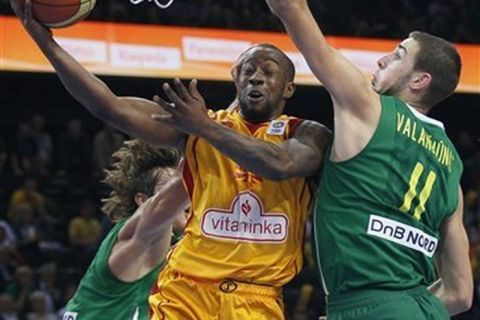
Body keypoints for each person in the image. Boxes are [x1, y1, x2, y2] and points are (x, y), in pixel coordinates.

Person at [10, 0, 331, 318]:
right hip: (186, 291)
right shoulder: (196, 126)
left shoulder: (305, 134)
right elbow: (110, 107)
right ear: (236, 79)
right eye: (249, 70)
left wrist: (204, 127)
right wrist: (46, 44)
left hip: (258, 298)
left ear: (289, 88)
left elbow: (278, 165)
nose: (257, 78)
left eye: (268, 72)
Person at [264, 0, 473, 319]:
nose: (381, 59)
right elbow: (460, 294)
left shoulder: (368, 105)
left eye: (398, 55)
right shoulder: (451, 167)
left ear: (419, 81)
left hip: (364, 304)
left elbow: (291, 8)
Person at [61, 139, 188, 320]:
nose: (186, 197)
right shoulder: (133, 236)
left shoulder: (177, 246)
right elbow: (168, 199)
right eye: (168, 188)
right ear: (143, 201)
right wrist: (210, 137)